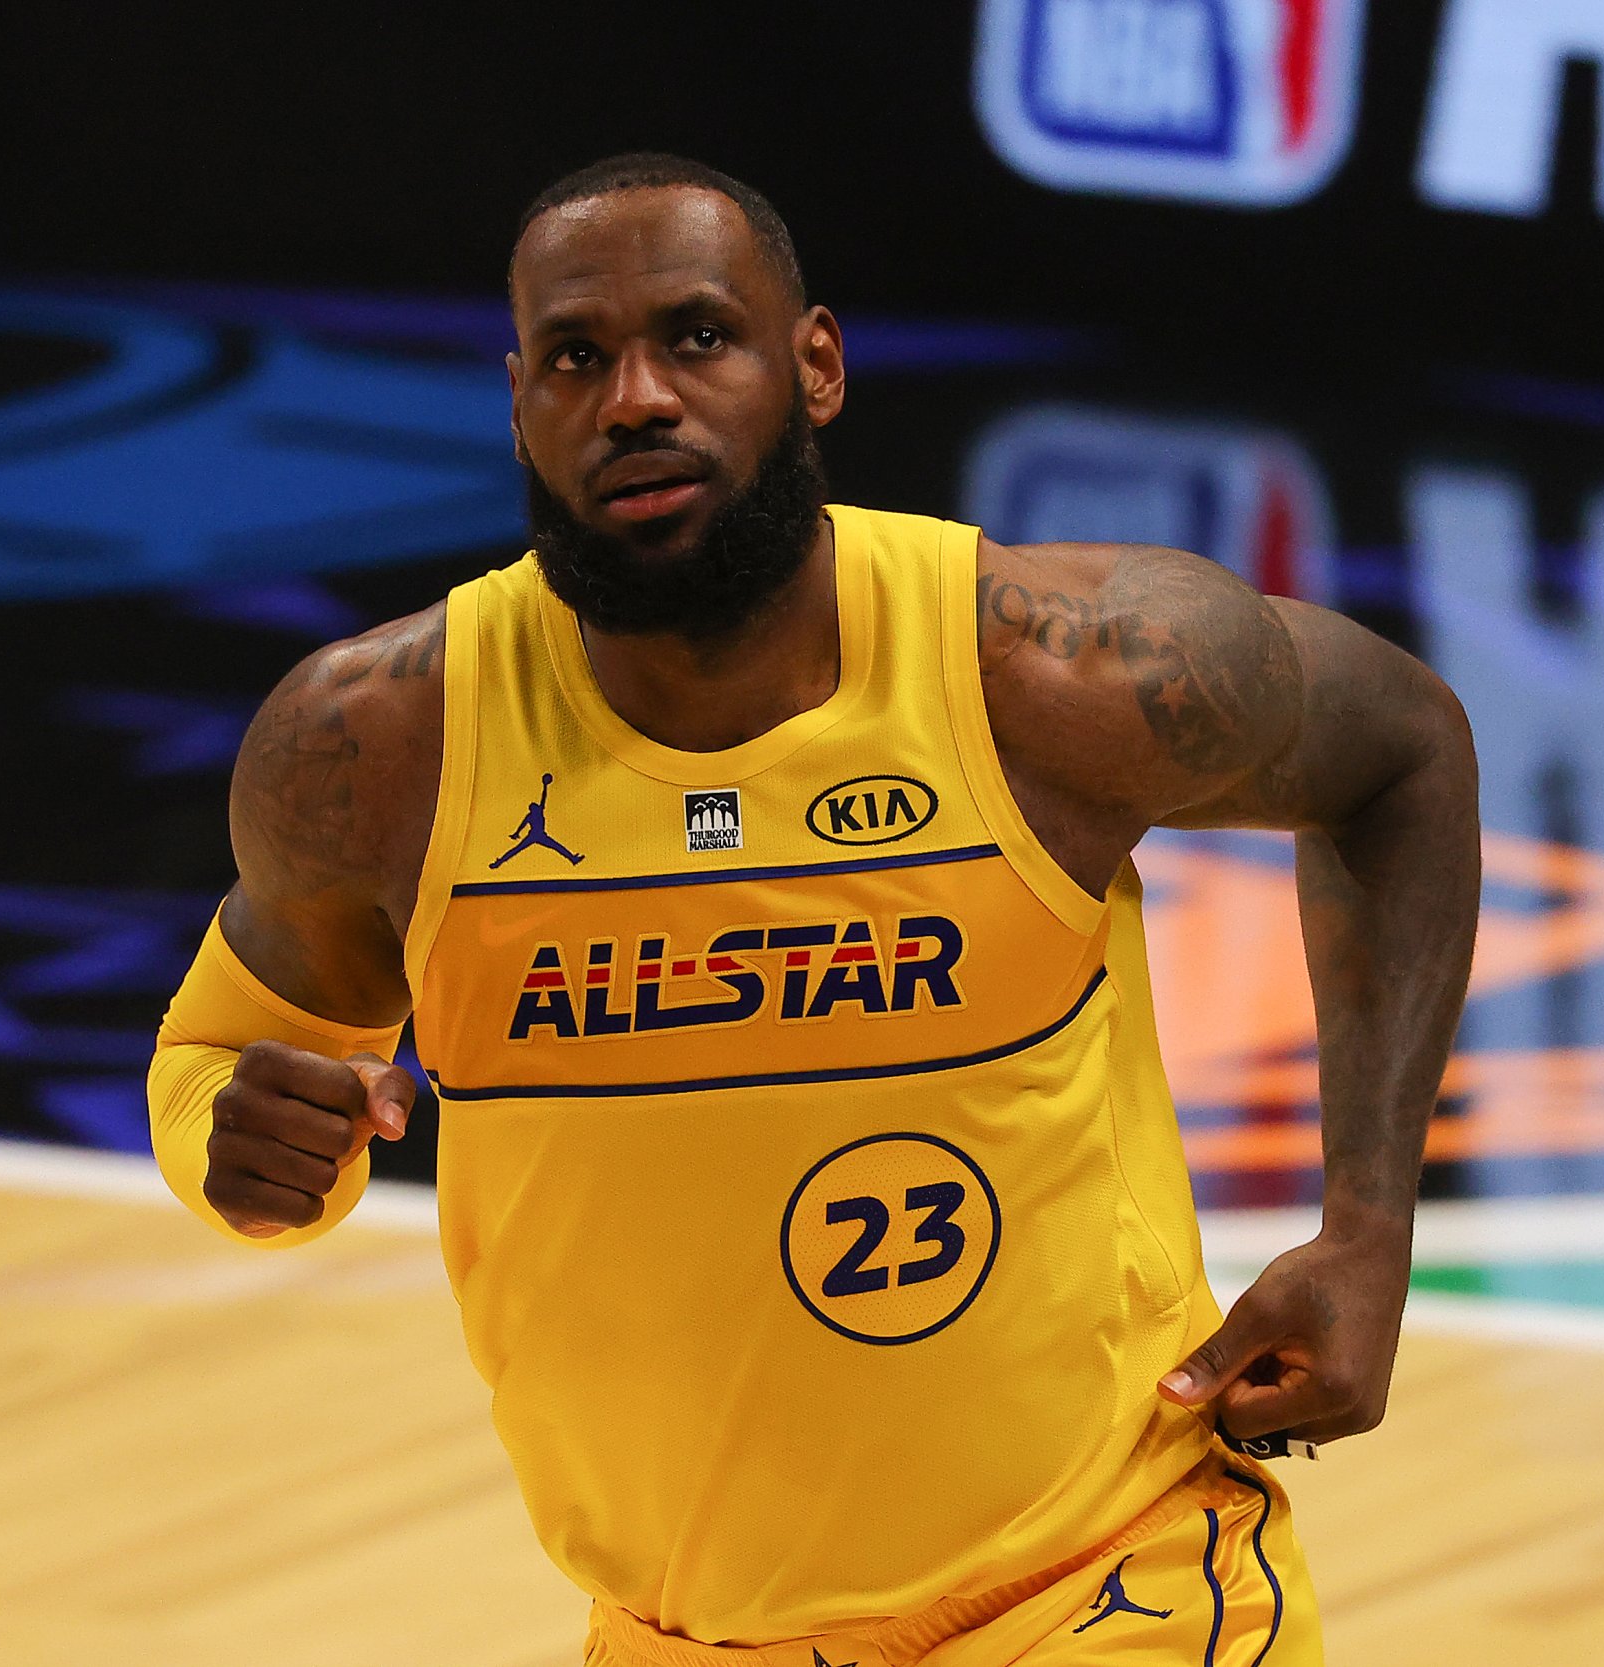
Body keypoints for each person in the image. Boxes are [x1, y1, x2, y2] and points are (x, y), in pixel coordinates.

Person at [149, 152, 1480, 1667]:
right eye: (577, 359)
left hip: (1106, 1590)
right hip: (677, 1639)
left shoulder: (1054, 676)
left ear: (817, 365)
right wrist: (248, 1149)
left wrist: (1368, 1231)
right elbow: (218, 1063)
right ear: (518, 405)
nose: (637, 397)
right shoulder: (379, 747)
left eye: (699, 337)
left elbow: (1402, 749)